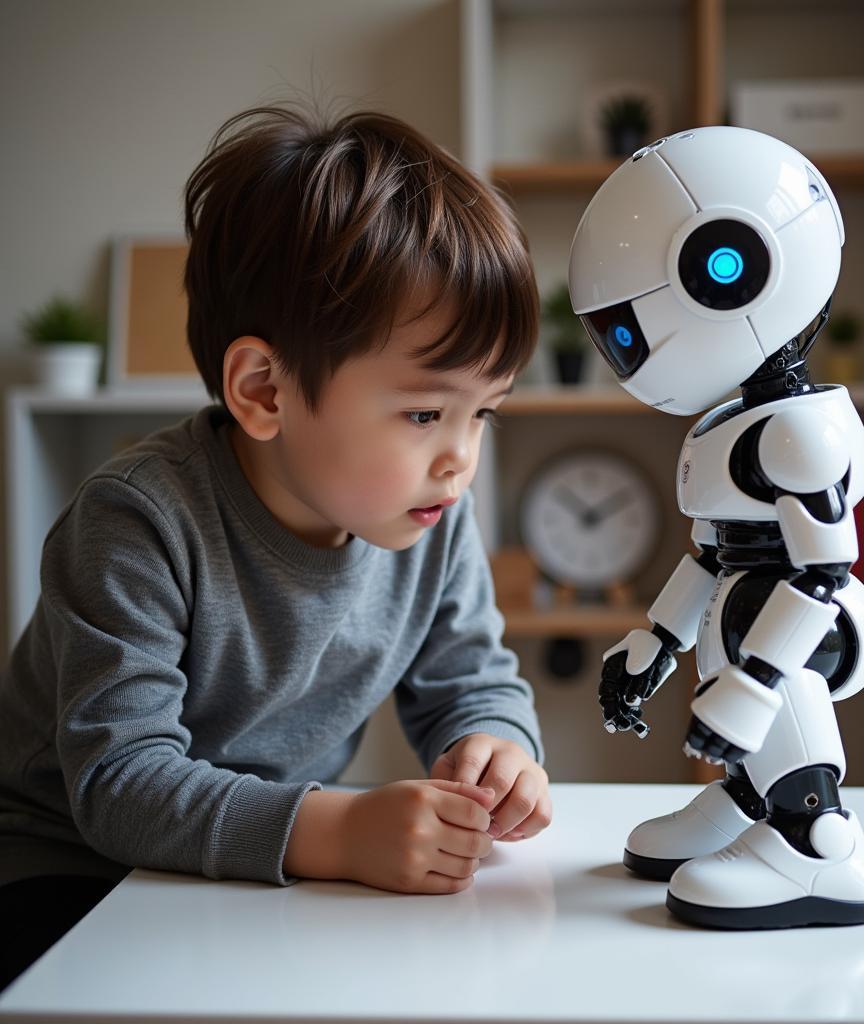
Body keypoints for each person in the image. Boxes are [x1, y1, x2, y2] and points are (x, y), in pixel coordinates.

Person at [0, 102, 549, 989]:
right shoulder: (137, 520)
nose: (462, 459)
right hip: (68, 871)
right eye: (424, 412)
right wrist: (337, 831)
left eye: (482, 412)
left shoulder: (429, 511)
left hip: (248, 868)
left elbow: (470, 679)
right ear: (263, 390)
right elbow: (121, 785)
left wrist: (497, 743)